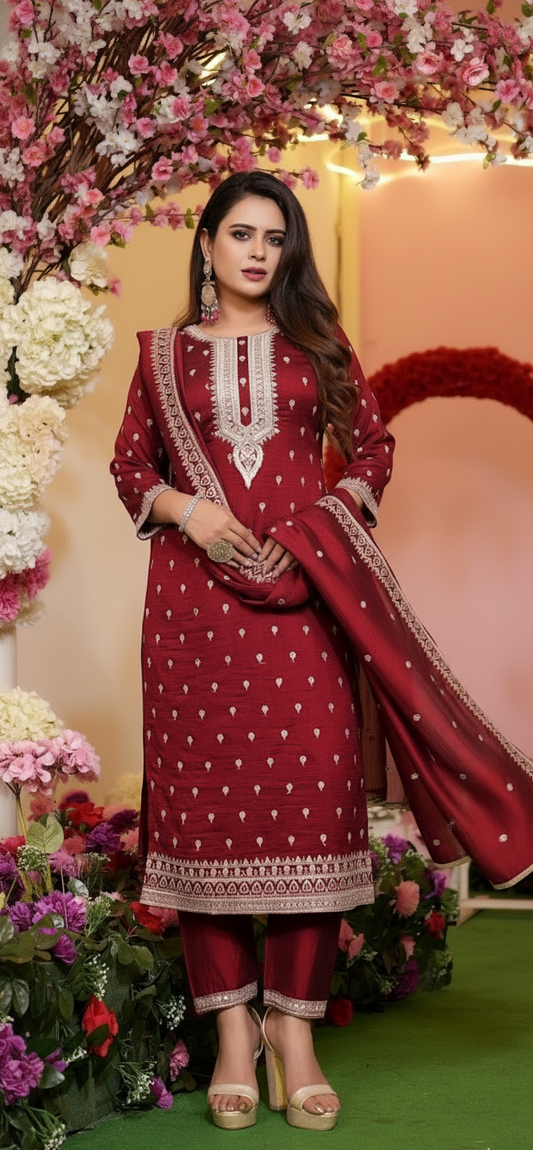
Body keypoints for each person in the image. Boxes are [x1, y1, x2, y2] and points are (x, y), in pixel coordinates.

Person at [111, 171, 533, 1131]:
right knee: (209, 817)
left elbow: (373, 449)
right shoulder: (162, 356)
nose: (259, 252)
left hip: (306, 602)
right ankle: (233, 1033)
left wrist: (316, 526)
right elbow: (131, 465)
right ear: (207, 243)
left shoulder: (317, 345)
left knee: (309, 801)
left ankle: (292, 1030)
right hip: (193, 612)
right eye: (241, 234)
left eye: (275, 238)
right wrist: (190, 512)